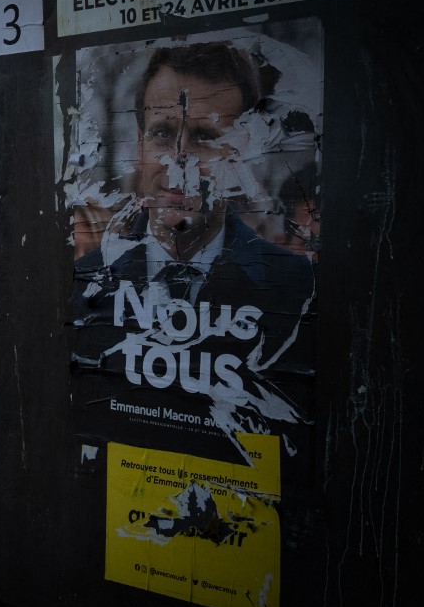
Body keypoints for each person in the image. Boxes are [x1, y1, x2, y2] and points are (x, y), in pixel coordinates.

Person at [70, 41, 317, 457]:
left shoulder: (299, 291)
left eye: (205, 138)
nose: (178, 161)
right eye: (163, 134)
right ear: (140, 144)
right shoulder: (83, 284)